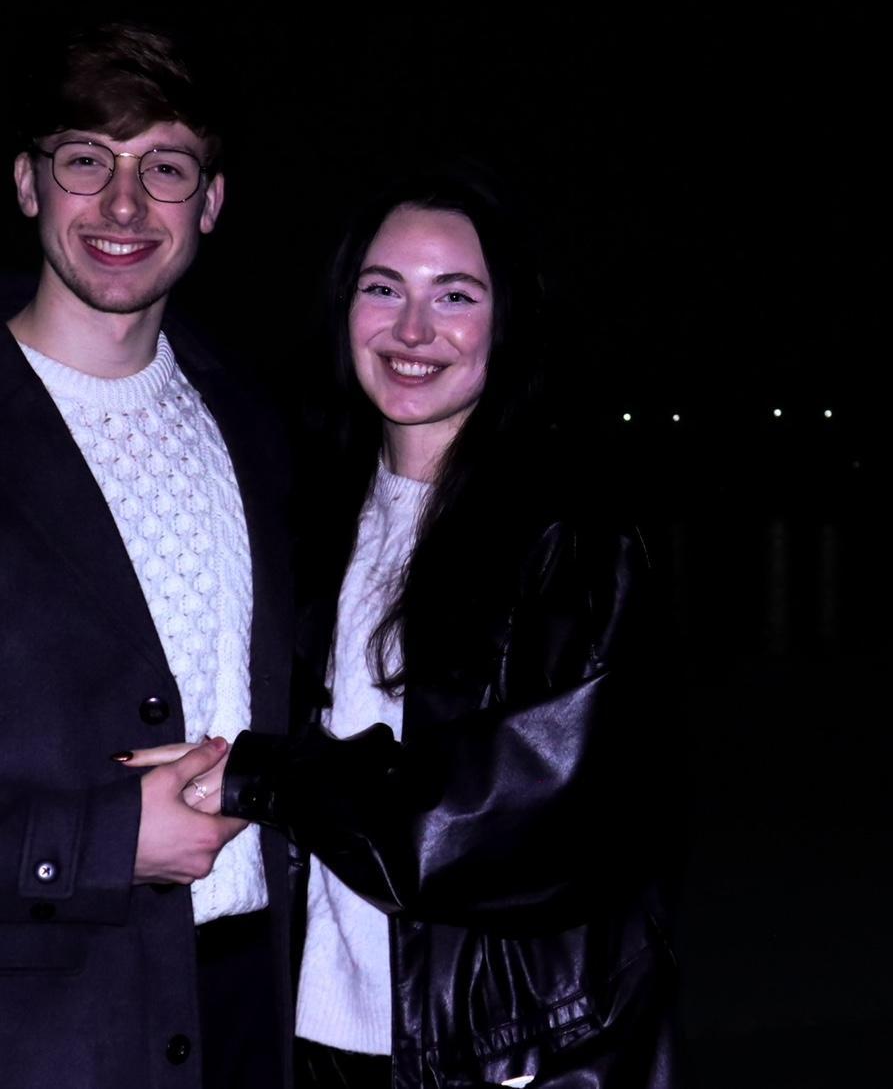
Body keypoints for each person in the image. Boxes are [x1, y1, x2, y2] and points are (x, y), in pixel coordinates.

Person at [128, 171, 680, 1088]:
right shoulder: (298, 517)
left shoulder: (570, 544)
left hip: (516, 1048)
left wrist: (261, 775)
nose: (413, 331)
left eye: (454, 296)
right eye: (383, 288)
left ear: (506, 322)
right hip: (314, 1037)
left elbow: (533, 811)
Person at [0, 22, 292, 1088]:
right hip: (48, 1031)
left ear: (209, 202)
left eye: (163, 168)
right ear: (29, 184)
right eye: (87, 158)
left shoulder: (253, 422)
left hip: (256, 1005)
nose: (124, 207)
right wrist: (98, 845)